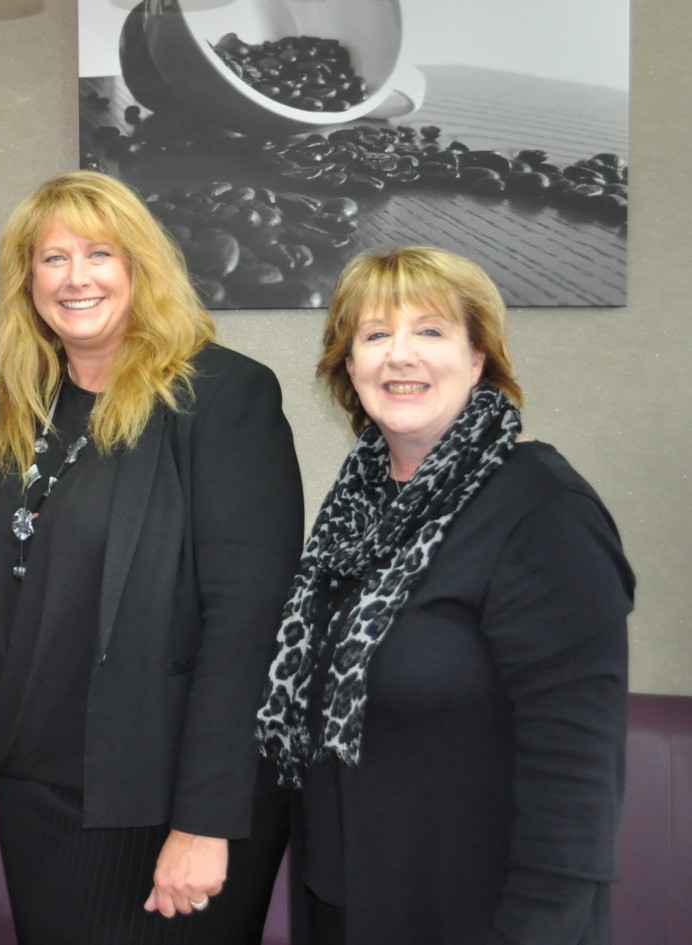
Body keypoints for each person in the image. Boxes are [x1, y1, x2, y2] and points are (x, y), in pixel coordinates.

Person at [0, 169, 303, 945]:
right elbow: (6, 570)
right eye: (52, 258)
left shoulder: (221, 396)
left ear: (141, 266)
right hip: (38, 792)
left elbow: (248, 625)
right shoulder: (22, 401)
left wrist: (205, 821)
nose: (75, 277)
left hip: (163, 800)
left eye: (99, 253)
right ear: (26, 281)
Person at [255, 247, 635, 945]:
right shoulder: (355, 513)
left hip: (479, 914)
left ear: (479, 357)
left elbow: (578, 775)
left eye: (429, 331)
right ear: (349, 365)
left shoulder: (543, 509)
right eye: (374, 335)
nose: (400, 356)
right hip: (345, 904)